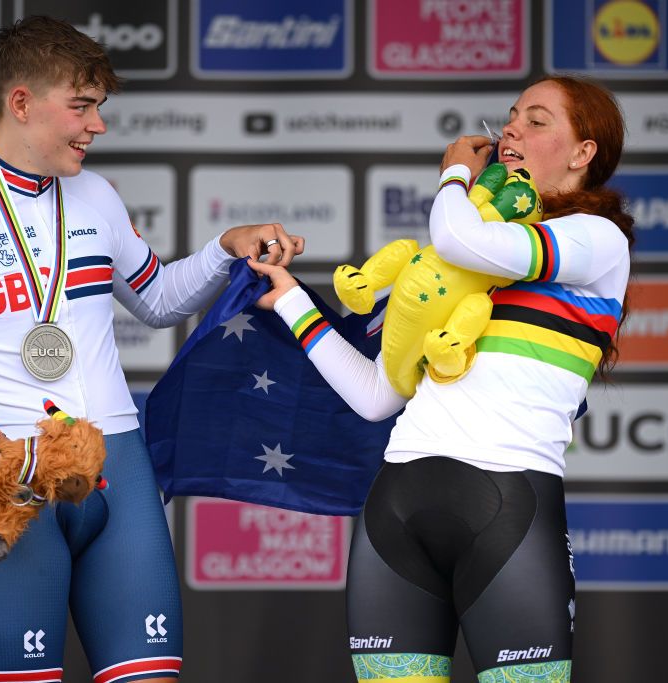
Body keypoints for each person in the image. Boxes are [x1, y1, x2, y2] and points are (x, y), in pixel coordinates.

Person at [0, 15, 303, 683]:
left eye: (99, 107)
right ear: (21, 102)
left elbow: (157, 299)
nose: (97, 125)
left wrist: (221, 248)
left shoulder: (95, 197)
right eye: (81, 106)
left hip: (121, 465)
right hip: (15, 474)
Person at [247, 75, 634, 683]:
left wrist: (456, 173)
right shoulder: (467, 273)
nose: (512, 128)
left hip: (509, 512)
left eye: (537, 120)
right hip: (397, 508)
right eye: (511, 116)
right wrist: (295, 302)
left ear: (584, 152)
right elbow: (378, 397)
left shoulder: (597, 241)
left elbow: (457, 237)